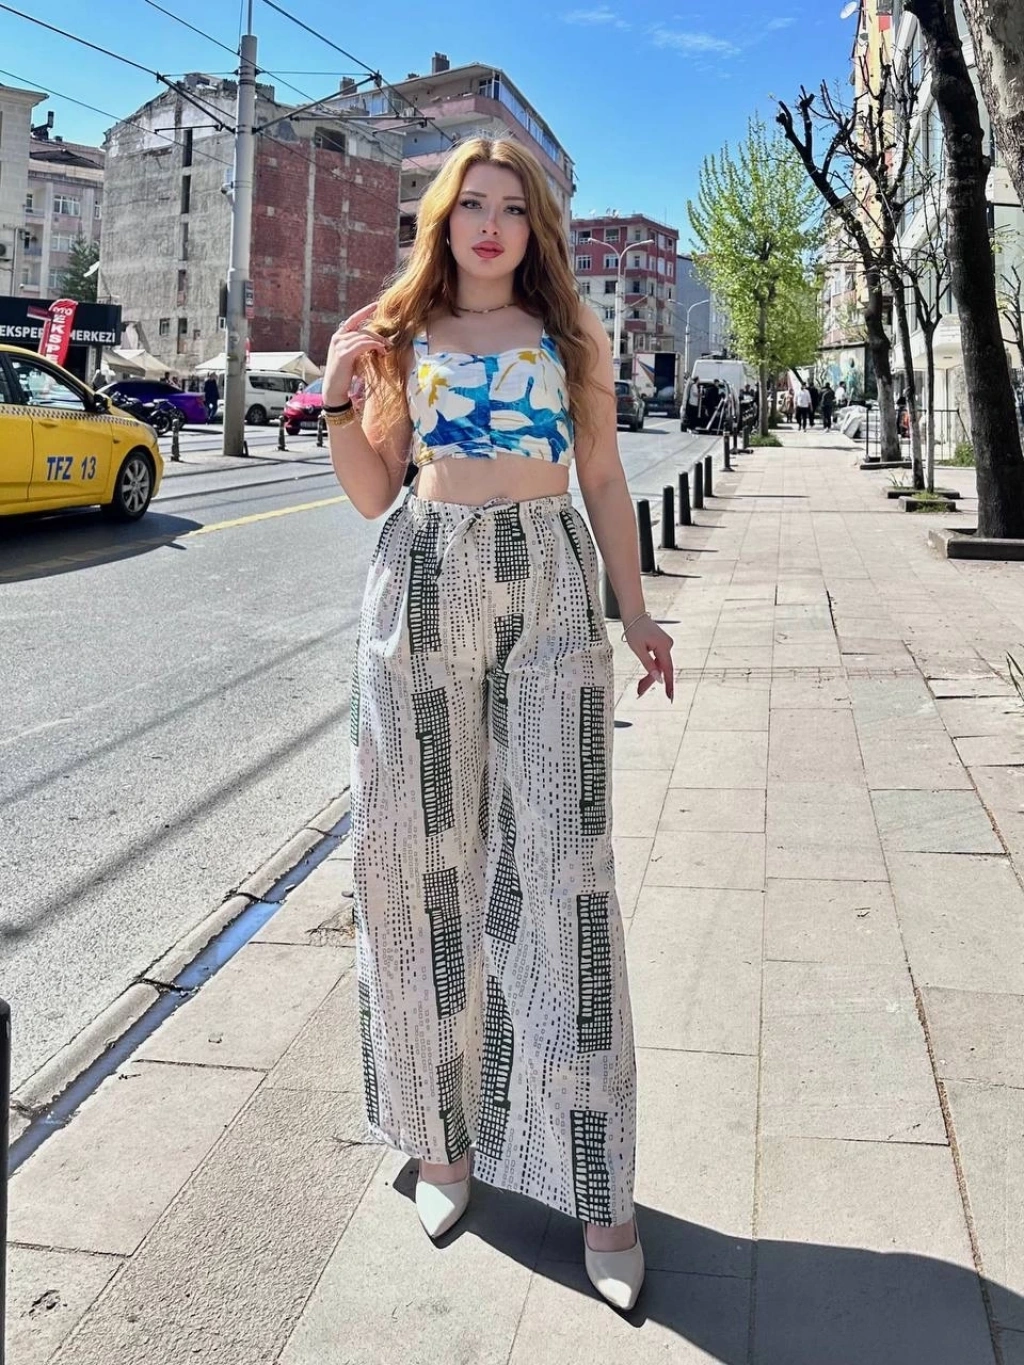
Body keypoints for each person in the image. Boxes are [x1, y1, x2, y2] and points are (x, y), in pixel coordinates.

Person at [323, 137, 673, 1313]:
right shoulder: (403, 331)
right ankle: (442, 1149)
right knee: (414, 870)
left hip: (549, 587)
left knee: (567, 877)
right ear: (442, 218)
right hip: (422, 584)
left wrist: (637, 612)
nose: (489, 224)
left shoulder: (571, 334)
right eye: (469, 204)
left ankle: (600, 1192)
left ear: (536, 227)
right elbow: (372, 491)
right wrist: (339, 393)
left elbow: (605, 477)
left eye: (511, 208)